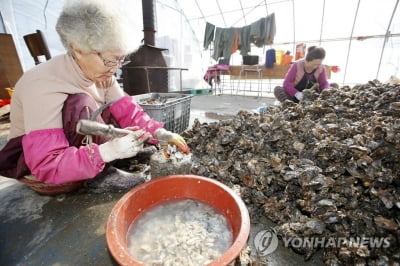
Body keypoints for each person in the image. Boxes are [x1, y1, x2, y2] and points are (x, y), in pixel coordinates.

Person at [0, 0, 189, 194]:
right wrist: (108, 152)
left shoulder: (102, 74)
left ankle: (109, 157)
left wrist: (158, 133)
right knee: (80, 103)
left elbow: (129, 113)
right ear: (78, 50)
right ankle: (99, 173)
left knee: (114, 107)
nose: (115, 69)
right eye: (110, 60)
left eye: (120, 59)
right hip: (44, 170)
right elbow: (46, 165)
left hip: (81, 150)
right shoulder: (43, 84)